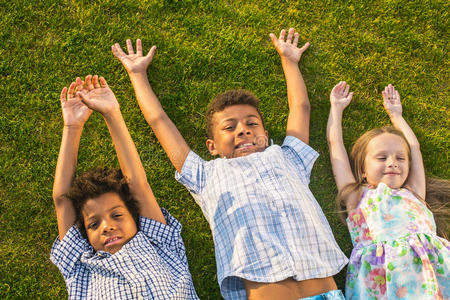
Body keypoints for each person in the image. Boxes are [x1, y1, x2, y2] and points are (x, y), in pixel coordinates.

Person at [112, 28, 347, 300]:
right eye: (229, 127)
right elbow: (159, 122)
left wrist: (290, 61)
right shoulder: (206, 175)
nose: (243, 131)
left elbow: (301, 108)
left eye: (251, 123)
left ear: (265, 135)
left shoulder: (287, 158)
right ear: (212, 147)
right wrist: (138, 75)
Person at [51, 75, 199, 299]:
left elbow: (137, 184)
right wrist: (72, 126)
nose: (107, 226)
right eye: (93, 223)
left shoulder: (158, 243)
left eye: (117, 215)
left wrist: (112, 113)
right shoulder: (80, 267)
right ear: (85, 235)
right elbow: (63, 199)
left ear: (134, 216)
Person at [326, 82, 449, 299]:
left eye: (400, 158)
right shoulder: (356, 197)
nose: (393, 163)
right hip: (379, 280)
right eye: (382, 158)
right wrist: (335, 109)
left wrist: (397, 117)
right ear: (362, 170)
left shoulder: (413, 192)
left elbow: (414, 148)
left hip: (431, 275)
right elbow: (335, 145)